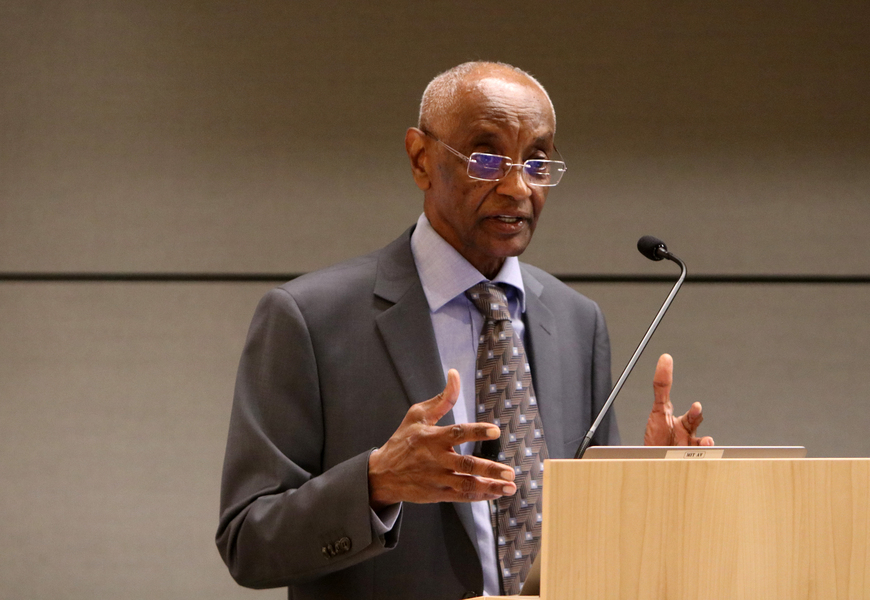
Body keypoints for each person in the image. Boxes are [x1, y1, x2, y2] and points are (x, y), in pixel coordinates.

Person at [216, 61, 713, 600]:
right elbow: (248, 541)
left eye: (537, 161)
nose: (517, 186)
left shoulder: (576, 321)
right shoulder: (309, 318)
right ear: (421, 159)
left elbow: (594, 542)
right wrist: (375, 483)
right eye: (487, 158)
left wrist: (650, 483)